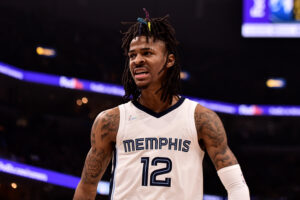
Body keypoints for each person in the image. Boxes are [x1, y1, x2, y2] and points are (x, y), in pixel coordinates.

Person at [73, 11, 250, 200]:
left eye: (147, 53)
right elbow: (86, 188)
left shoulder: (201, 119)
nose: (137, 60)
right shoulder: (110, 121)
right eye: (132, 55)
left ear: (169, 60)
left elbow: (236, 186)